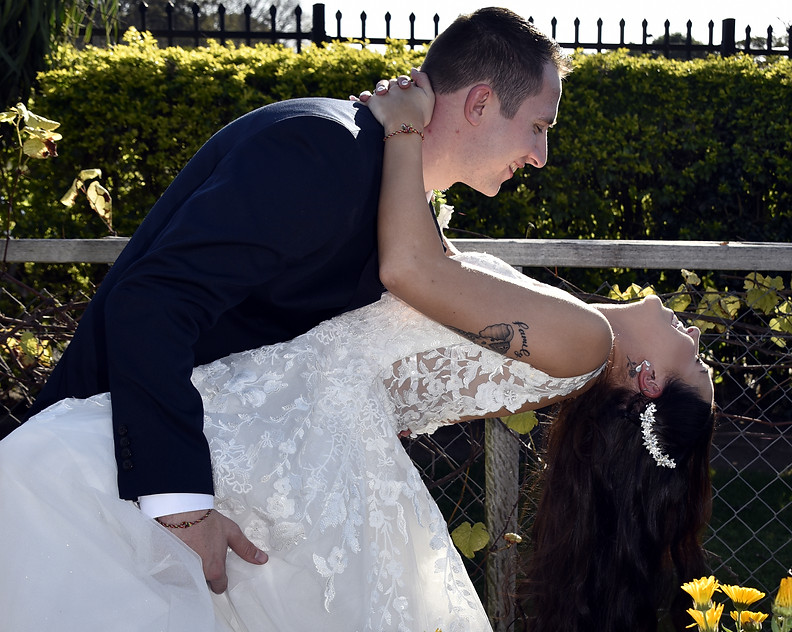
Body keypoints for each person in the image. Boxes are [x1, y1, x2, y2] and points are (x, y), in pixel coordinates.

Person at [0, 72, 715, 631]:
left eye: (695, 362)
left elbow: (410, 271)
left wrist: (404, 131)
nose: (694, 338)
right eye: (536, 125)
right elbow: (419, 288)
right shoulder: (564, 332)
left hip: (296, 436)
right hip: (293, 425)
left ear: (647, 381)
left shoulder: (587, 342)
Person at [18, 7, 573, 590]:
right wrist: (177, 502)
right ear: (481, 102)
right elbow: (153, 301)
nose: (540, 155)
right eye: (539, 126)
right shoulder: (324, 149)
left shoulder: (386, 186)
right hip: (94, 491)